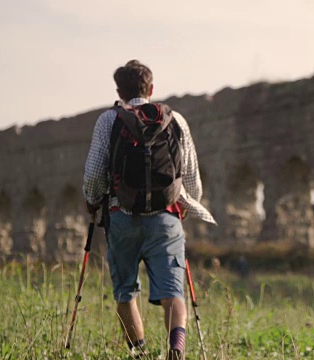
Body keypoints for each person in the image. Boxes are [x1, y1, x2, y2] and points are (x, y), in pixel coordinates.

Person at [83, 60, 216, 359]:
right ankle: (176, 350)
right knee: (173, 292)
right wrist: (182, 204)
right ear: (151, 89)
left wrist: (92, 202)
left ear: (119, 91)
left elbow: (93, 175)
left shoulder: (108, 119)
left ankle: (140, 354)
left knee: (125, 293)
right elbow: (193, 181)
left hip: (121, 217)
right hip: (165, 218)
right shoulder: (175, 120)